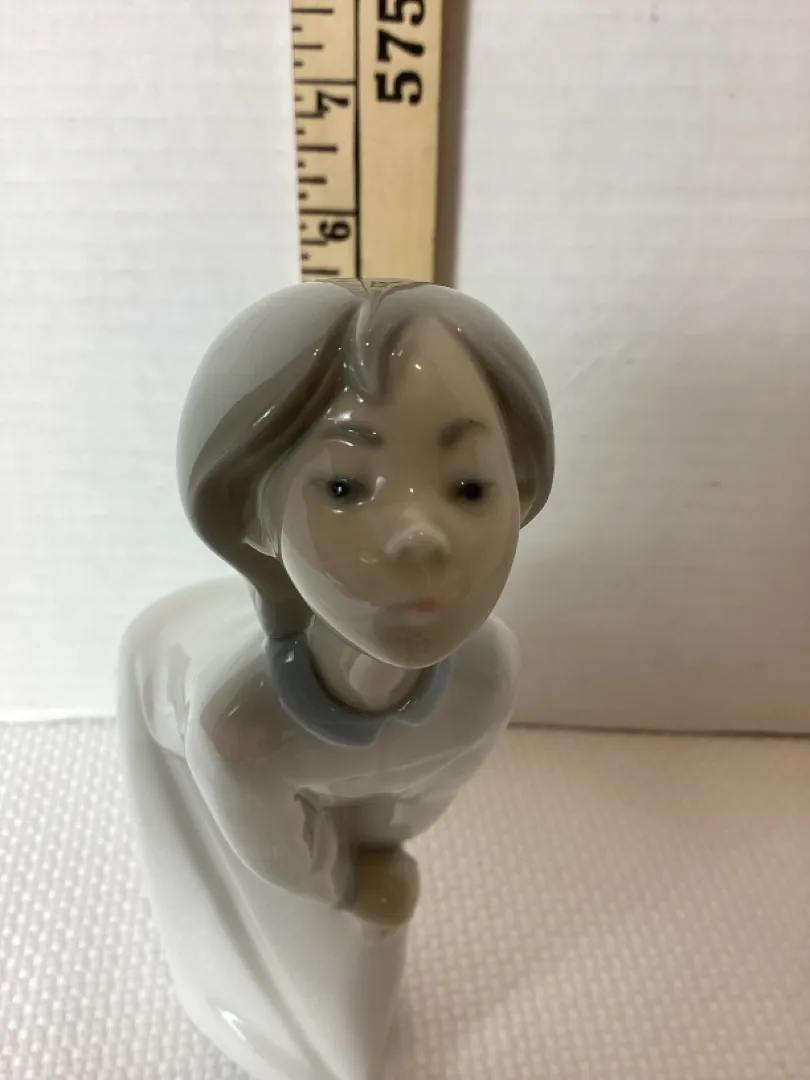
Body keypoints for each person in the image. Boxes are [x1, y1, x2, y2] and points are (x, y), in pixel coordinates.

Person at [119, 278, 554, 1080]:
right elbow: (280, 858)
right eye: (347, 487)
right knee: (292, 939)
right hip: (221, 783)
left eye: (468, 486)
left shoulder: (487, 677)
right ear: (254, 510)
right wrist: (346, 880)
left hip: (329, 810)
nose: (421, 537)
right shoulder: (238, 723)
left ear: (520, 490)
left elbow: (423, 797)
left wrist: (382, 850)